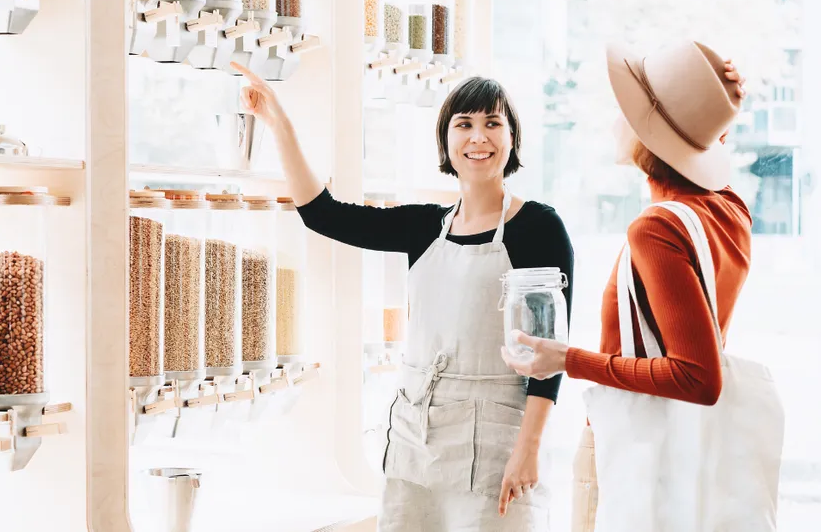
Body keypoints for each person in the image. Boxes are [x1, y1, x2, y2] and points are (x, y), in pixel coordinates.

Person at [230, 61, 575, 530]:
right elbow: (323, 214)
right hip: (415, 439)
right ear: (446, 141)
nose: (479, 138)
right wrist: (278, 122)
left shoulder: (538, 228)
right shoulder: (422, 227)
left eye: (493, 123)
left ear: (512, 137)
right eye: (465, 125)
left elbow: (550, 358)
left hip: (498, 444)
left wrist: (528, 450)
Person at [500, 41, 756, 531]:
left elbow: (698, 378)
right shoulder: (730, 211)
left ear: (651, 137)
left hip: (632, 447)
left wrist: (565, 359)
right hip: (689, 450)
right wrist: (713, 107)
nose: (617, 121)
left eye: (629, 113)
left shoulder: (656, 228)